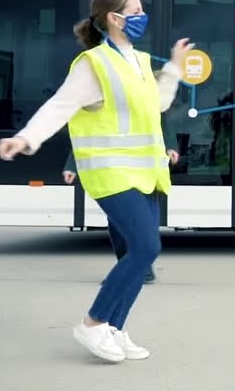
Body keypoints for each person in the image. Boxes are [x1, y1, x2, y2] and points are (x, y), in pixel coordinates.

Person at [0, 0, 192, 364]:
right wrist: (25, 138)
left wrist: (174, 67)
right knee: (146, 248)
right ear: (113, 19)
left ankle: (115, 330)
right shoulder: (94, 63)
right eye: (134, 11)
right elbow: (60, 106)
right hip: (110, 173)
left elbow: (158, 103)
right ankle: (93, 322)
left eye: (141, 10)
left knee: (140, 251)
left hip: (145, 172)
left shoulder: (135, 60)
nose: (141, 16)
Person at [63, 118, 180, 284]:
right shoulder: (103, 102)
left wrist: (170, 146)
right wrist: (72, 165)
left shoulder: (146, 94)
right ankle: (132, 268)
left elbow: (160, 118)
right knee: (119, 224)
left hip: (145, 171)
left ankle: (139, 270)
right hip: (116, 174)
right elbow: (88, 135)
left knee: (139, 224)